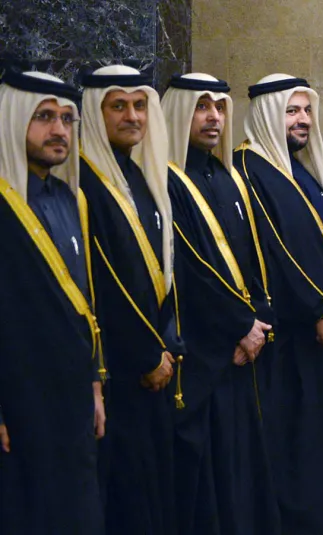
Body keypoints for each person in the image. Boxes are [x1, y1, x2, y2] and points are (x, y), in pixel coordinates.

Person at [235, 73, 323, 534]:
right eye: (292, 110)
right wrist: (317, 312)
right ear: (269, 114)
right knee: (292, 463)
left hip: (318, 336)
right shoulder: (249, 169)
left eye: (307, 110)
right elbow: (274, 253)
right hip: (285, 343)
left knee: (320, 459)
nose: (304, 120)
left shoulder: (300, 172)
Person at [162, 72, 280, 535]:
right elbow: (191, 268)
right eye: (202, 106)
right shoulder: (169, 179)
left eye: (219, 107)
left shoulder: (228, 176)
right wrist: (238, 326)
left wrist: (260, 323)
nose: (213, 117)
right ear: (179, 111)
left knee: (242, 470)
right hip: (205, 349)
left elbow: (253, 257)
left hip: (243, 349)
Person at [0, 70, 105, 535]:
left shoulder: (68, 197)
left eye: (66, 118)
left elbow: (84, 304)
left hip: (73, 399)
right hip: (19, 399)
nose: (59, 129)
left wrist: (95, 385)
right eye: (44, 117)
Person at [79, 65, 180, 535]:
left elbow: (161, 272)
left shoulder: (136, 174)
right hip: (120, 371)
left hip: (156, 364)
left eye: (139, 105)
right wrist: (146, 354)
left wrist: (167, 344)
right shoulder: (85, 181)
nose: (132, 116)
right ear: (94, 112)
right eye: (118, 106)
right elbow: (106, 282)